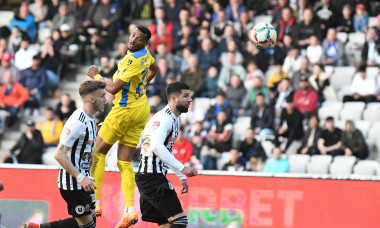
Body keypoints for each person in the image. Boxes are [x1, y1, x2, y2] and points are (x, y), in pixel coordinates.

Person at [86, 25, 159, 226]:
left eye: (138, 38)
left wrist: (96, 76)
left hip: (125, 111)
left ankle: (95, 202)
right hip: (141, 109)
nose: (133, 39)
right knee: (124, 162)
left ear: (145, 42)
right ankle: (129, 210)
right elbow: (155, 69)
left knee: (96, 153)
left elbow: (113, 87)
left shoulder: (132, 59)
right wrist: (142, 86)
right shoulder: (145, 55)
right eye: (133, 35)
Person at [24, 80, 107, 228]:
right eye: (102, 96)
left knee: (89, 221)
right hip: (73, 183)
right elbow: (59, 154)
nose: (106, 100)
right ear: (91, 99)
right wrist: (81, 177)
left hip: (84, 180)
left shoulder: (92, 119)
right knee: (88, 226)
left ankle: (37, 227)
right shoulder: (77, 122)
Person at [135, 81, 197, 227]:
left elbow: (166, 150)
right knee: (180, 221)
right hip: (151, 178)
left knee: (166, 224)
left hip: (153, 177)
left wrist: (180, 176)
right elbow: (156, 147)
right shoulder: (163, 118)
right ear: (174, 98)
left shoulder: (174, 118)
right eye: (186, 96)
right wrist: (182, 168)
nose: (190, 100)